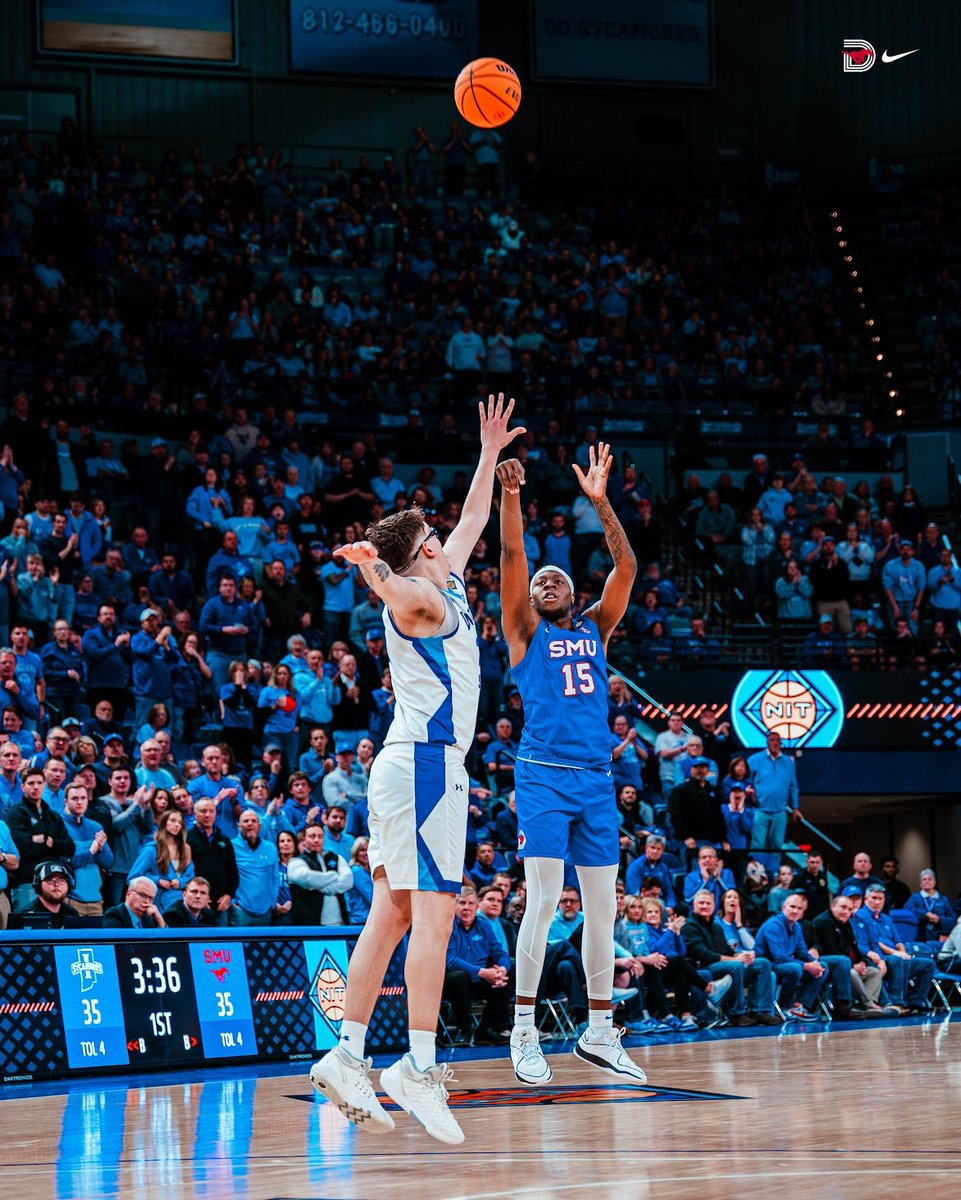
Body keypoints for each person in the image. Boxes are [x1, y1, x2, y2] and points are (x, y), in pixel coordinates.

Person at [310, 395, 519, 1146]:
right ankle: (418, 1067)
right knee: (431, 914)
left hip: (405, 767)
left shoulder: (448, 575)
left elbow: (470, 521)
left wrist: (488, 455)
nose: (445, 537)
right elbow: (396, 594)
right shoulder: (422, 597)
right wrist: (373, 573)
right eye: (432, 536)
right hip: (429, 768)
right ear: (420, 551)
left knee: (390, 913)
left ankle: (346, 1053)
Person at [495, 441, 647, 1089]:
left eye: (554, 578)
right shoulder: (525, 634)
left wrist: (599, 502)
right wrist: (509, 498)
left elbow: (627, 565)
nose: (544, 581)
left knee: (602, 911)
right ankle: (523, 1032)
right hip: (542, 777)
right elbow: (512, 557)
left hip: (594, 782)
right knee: (538, 905)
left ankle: (598, 1030)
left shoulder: (594, 628)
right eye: (538, 583)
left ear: (572, 591)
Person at [683, 890, 780, 1026]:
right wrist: (736, 960)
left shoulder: (716, 927)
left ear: (714, 905)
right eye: (701, 903)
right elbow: (703, 954)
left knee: (762, 963)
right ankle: (736, 1013)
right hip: (705, 967)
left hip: (724, 965)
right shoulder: (689, 926)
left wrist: (742, 956)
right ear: (694, 905)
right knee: (736, 966)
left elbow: (728, 951)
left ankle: (759, 1011)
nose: (704, 906)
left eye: (708, 903)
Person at [443, 889, 514, 1044]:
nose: (466, 907)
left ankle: (486, 1030)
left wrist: (501, 969)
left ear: (477, 907)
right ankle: (463, 1030)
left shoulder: (484, 925)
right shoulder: (448, 926)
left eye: (470, 903)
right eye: (462, 903)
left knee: (512, 970)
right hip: (453, 982)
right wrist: (482, 972)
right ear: (454, 906)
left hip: (481, 980)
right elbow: (450, 960)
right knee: (458, 977)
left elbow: (500, 953)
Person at [853, 883, 936, 1012]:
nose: (877, 902)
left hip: (896, 955)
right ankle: (897, 1003)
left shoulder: (887, 918)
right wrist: (897, 954)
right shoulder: (860, 917)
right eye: (874, 898)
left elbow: (898, 941)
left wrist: (903, 952)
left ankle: (917, 1001)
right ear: (866, 899)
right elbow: (875, 943)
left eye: (880, 898)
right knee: (898, 960)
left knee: (928, 964)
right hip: (881, 957)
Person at [6, 765, 75, 913]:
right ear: (23, 787)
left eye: (39, 783)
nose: (35, 787)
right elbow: (24, 848)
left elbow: (70, 847)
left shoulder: (53, 815)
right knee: (28, 931)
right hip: (27, 881)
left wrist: (47, 840)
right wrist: (55, 845)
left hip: (52, 883)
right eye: (31, 783)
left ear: (44, 785)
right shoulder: (16, 813)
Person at [811, 893, 888, 1016]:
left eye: (849, 909)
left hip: (848, 963)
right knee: (850, 971)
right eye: (843, 907)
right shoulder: (822, 922)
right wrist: (853, 965)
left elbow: (854, 946)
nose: (846, 911)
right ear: (832, 906)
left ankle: (869, 1006)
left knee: (874, 972)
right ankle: (866, 1004)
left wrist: (863, 962)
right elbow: (832, 951)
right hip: (828, 965)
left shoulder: (846, 923)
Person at [747, 732, 802, 872]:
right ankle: (757, 875)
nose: (775, 743)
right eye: (772, 740)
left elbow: (793, 786)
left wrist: (796, 807)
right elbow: (746, 782)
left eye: (777, 740)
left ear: (781, 743)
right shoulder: (755, 759)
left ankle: (773, 874)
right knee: (758, 845)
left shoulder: (788, 761)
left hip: (780, 811)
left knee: (777, 845)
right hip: (760, 810)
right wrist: (750, 797)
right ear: (767, 742)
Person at [127, 810, 195, 913]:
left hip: (180, 904)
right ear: (164, 823)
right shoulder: (151, 850)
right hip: (158, 903)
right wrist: (157, 880)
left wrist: (181, 882)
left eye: (180, 823)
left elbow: (190, 876)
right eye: (173, 821)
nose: (176, 825)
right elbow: (133, 878)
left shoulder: (185, 849)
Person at [288, 822, 354, 925]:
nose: (316, 840)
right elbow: (307, 879)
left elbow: (348, 881)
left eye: (320, 836)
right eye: (312, 836)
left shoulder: (337, 858)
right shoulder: (296, 861)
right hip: (309, 926)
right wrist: (333, 875)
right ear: (304, 839)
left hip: (339, 923)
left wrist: (319, 887)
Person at [230, 808, 279, 925]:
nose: (250, 824)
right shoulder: (231, 846)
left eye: (253, 821)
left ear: (260, 825)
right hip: (240, 911)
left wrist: (272, 903)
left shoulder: (270, 848)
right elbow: (224, 875)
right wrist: (232, 901)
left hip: (266, 911)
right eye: (246, 821)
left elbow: (275, 878)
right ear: (239, 826)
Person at [17, 860, 80, 929]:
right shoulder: (26, 915)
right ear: (38, 885)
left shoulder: (72, 914)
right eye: (50, 880)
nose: (56, 884)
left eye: (62, 880)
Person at [904, 869, 955, 943]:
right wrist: (925, 914)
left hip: (940, 938)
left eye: (930, 879)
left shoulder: (943, 899)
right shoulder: (915, 898)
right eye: (924, 879)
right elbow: (907, 909)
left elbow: (953, 919)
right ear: (920, 883)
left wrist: (940, 920)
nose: (927, 881)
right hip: (920, 937)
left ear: (935, 882)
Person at [102, 875, 166, 928]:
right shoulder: (114, 914)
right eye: (143, 895)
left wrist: (159, 919)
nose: (147, 901)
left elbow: (166, 941)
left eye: (151, 898)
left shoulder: (149, 918)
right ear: (128, 893)